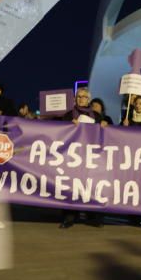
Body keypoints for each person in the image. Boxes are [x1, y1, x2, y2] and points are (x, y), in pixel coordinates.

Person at [60, 87, 105, 229]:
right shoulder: (68, 115)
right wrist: (68, 126)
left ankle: (93, 217)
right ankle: (69, 217)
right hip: (73, 156)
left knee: (90, 186)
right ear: (75, 98)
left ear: (89, 99)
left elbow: (104, 134)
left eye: (84, 97)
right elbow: (59, 133)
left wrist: (104, 125)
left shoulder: (96, 116)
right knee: (71, 186)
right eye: (79, 96)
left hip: (91, 156)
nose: (81, 99)